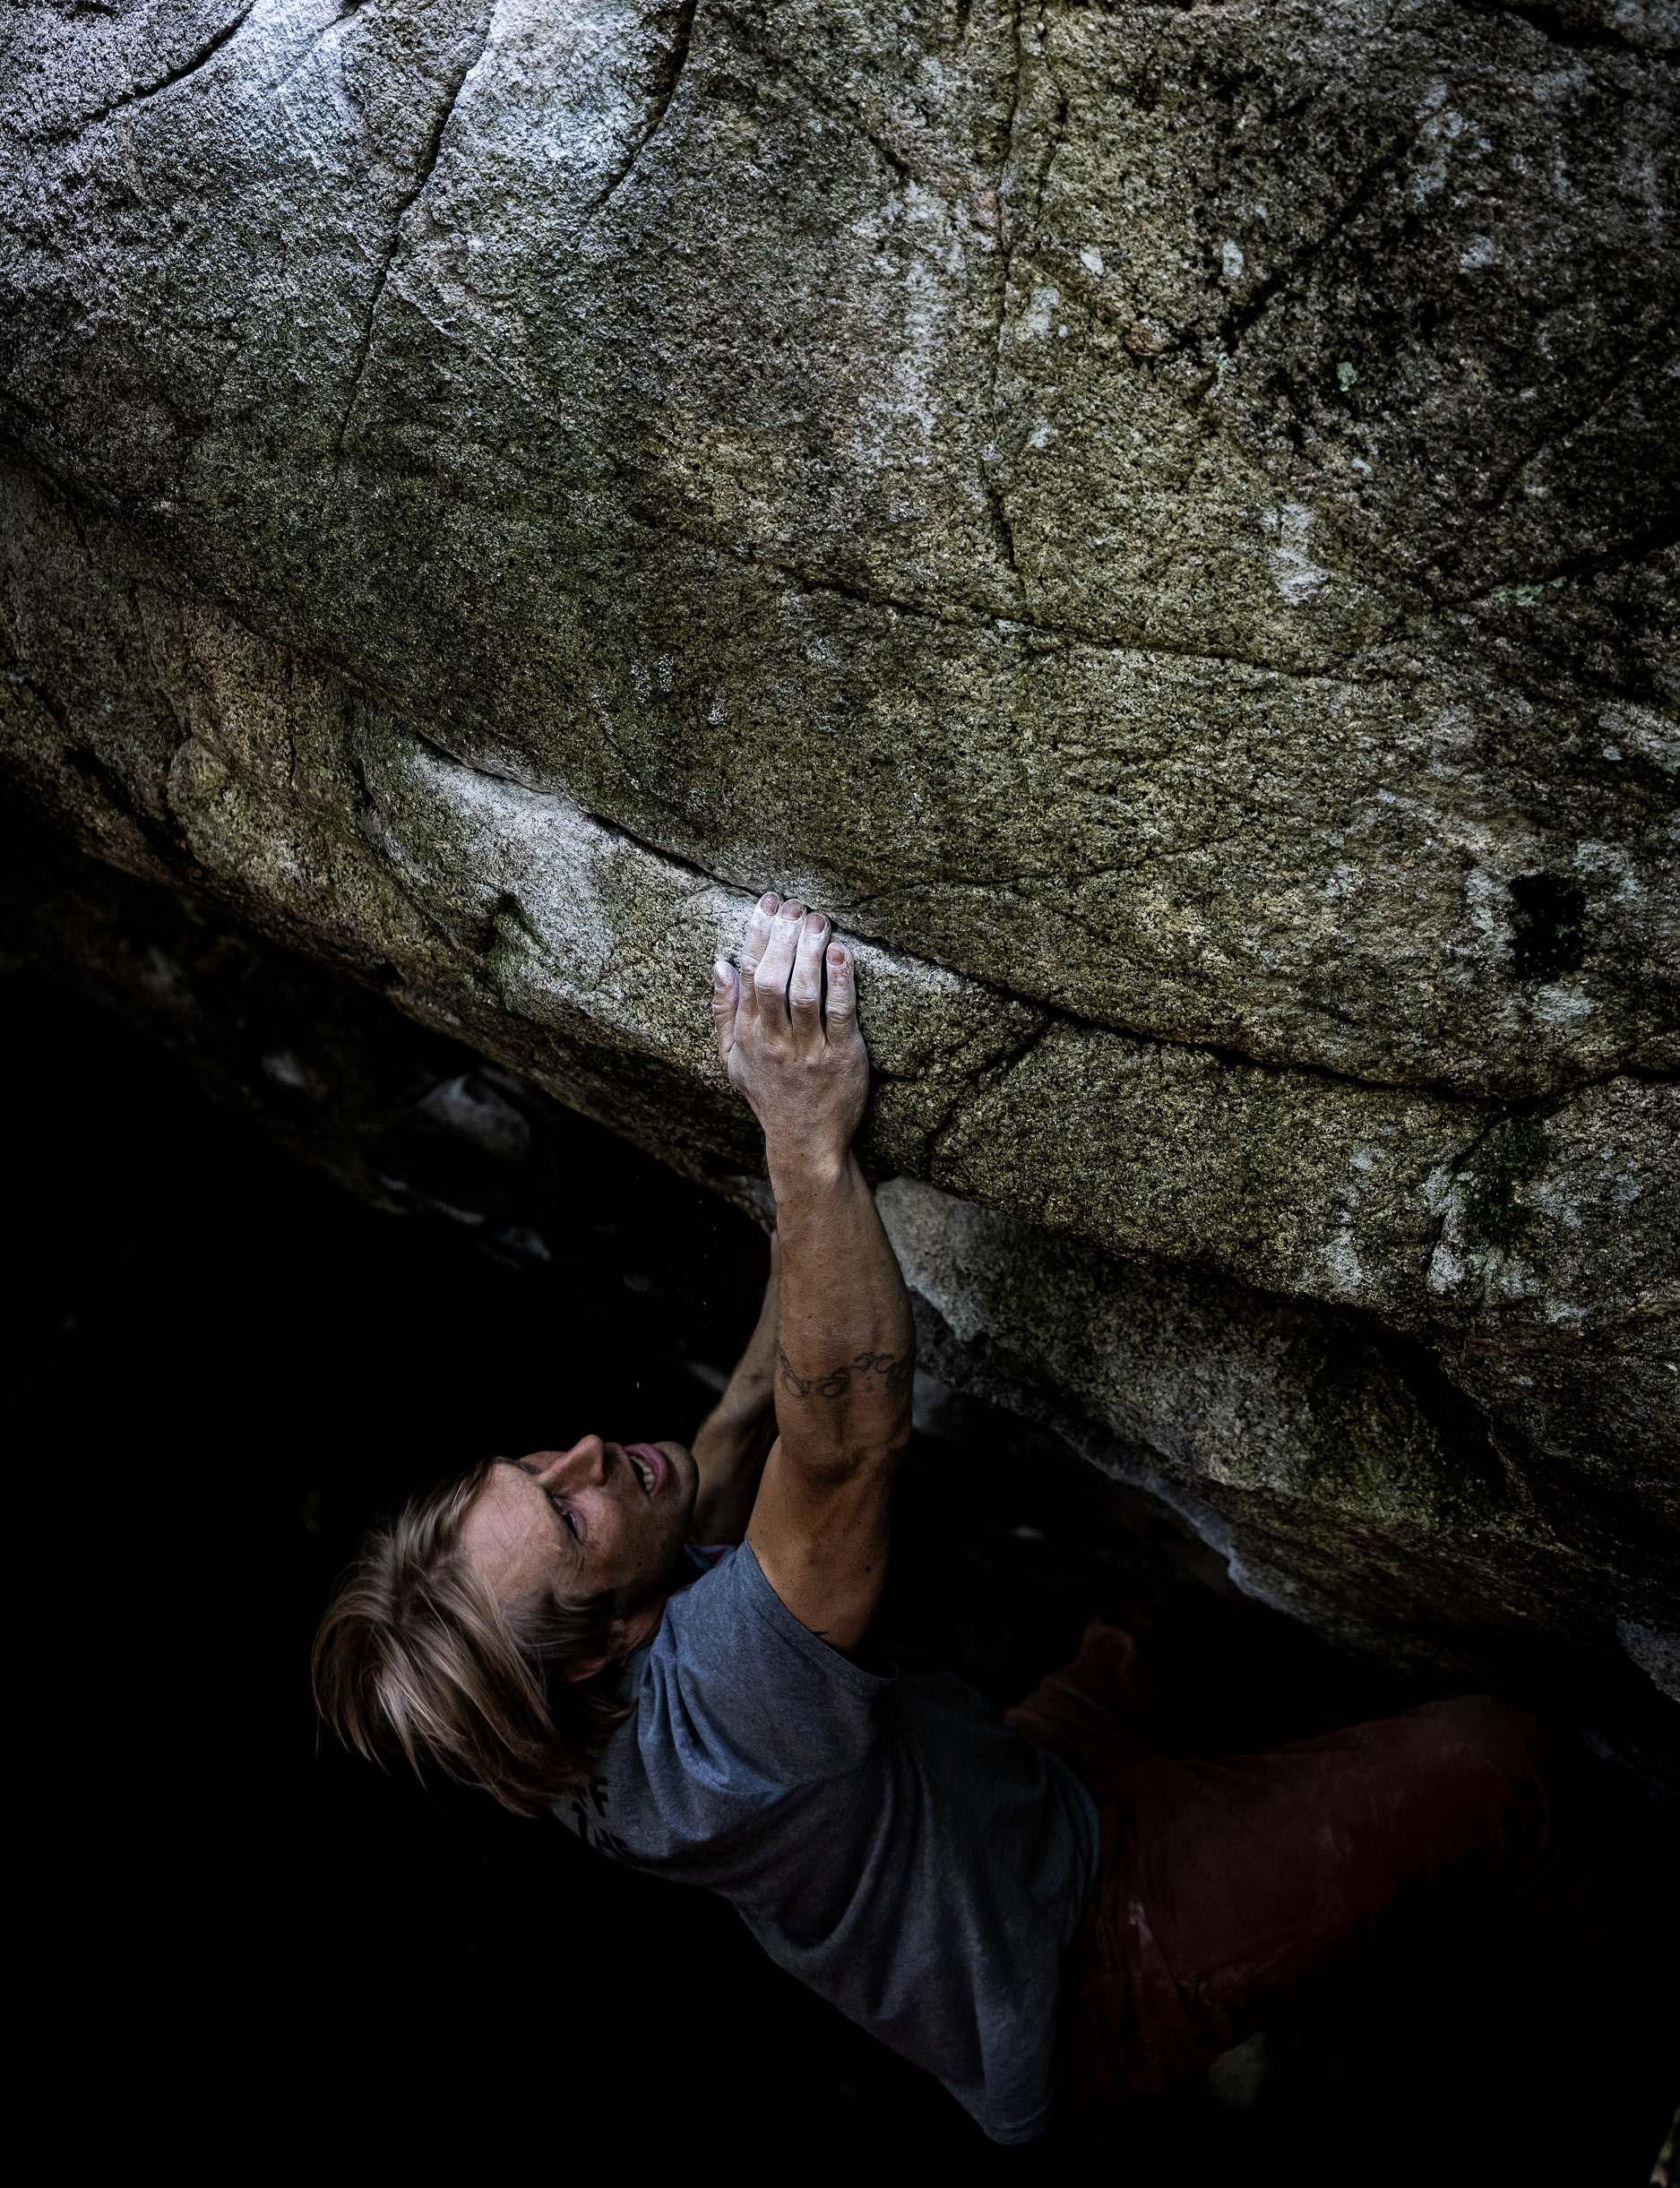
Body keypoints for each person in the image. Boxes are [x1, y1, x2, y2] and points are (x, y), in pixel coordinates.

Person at [313, 892, 1598, 2144]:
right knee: (1502, 1764)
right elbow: (842, 1443)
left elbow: (728, 1440)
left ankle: (1357, 1849)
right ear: (605, 1647)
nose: (589, 1456)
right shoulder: (725, 1724)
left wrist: (812, 1217)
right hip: (1086, 1964)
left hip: (1015, 1799)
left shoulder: (534, 1713)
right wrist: (807, 1140)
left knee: (1163, 1640)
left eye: (533, 1466)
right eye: (567, 1513)